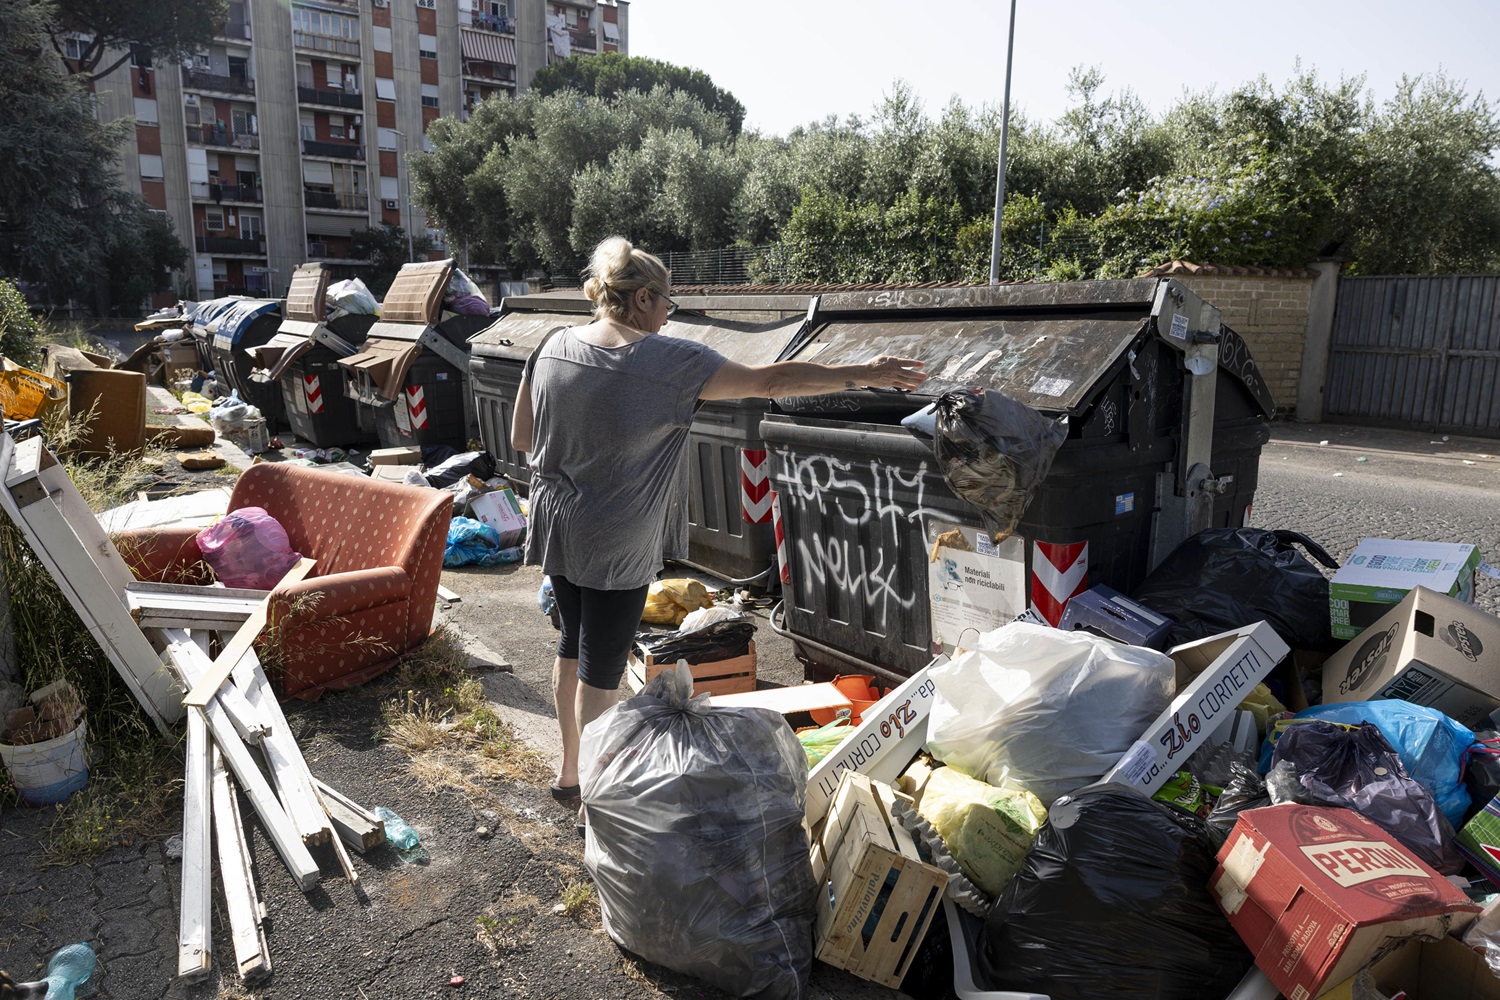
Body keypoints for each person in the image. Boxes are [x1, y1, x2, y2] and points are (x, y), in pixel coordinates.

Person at [511, 235, 927, 802]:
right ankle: (595, 801)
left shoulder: (554, 345)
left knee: (572, 646)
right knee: (602, 672)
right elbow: (772, 382)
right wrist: (866, 371)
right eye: (667, 304)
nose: (667, 316)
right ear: (642, 300)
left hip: (558, 521)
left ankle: (568, 772)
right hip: (618, 536)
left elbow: (521, 437)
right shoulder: (670, 362)